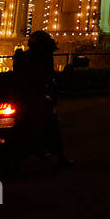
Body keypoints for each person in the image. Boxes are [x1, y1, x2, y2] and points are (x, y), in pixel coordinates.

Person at [11, 30, 71, 166]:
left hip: (18, 97)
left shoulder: (21, 56)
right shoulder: (44, 58)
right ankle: (60, 157)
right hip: (34, 97)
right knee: (52, 122)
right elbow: (50, 76)